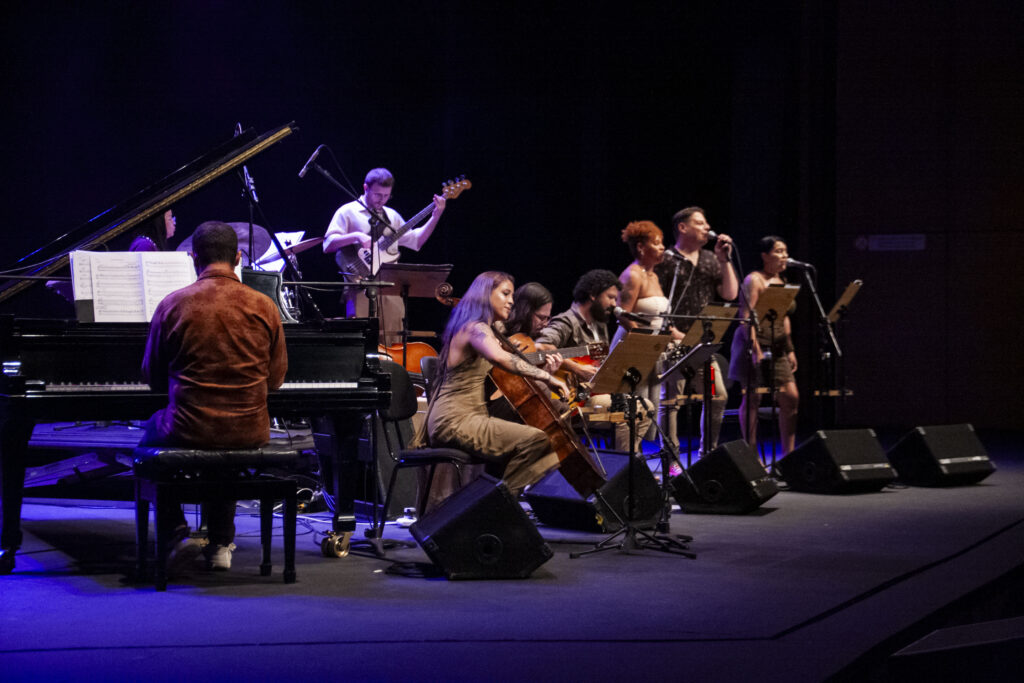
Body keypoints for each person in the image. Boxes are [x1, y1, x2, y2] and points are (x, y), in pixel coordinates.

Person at [141, 220, 288, 572]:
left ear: (193, 258)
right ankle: (221, 542)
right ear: (238, 257)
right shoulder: (264, 306)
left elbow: (152, 378)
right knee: (228, 438)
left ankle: (176, 531)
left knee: (148, 434)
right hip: (249, 429)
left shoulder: (172, 305)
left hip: (189, 428)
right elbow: (276, 380)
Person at [426, 271, 567, 497]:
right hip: (455, 419)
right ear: (485, 294)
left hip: (472, 416)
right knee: (536, 439)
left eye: (512, 295)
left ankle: (496, 503)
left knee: (546, 442)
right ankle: (492, 505)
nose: (511, 301)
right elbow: (501, 358)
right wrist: (548, 377)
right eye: (505, 293)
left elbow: (515, 350)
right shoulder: (474, 327)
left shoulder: (487, 330)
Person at [322, 168, 446, 343]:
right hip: (360, 285)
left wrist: (436, 215)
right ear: (365, 187)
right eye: (377, 194)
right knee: (362, 340)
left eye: (386, 195)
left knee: (394, 339)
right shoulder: (347, 212)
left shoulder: (392, 216)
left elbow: (416, 241)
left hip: (391, 288)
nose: (381, 200)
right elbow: (327, 244)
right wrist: (356, 236)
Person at [534, 269, 652, 452]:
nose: (614, 304)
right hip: (571, 401)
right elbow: (541, 348)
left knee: (643, 406)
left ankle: (623, 466)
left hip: (594, 396)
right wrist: (576, 368)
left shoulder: (600, 324)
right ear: (593, 295)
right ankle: (626, 470)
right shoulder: (566, 322)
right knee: (634, 409)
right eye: (611, 297)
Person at [654, 207, 738, 455]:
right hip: (673, 341)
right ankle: (671, 459)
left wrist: (724, 260)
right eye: (700, 223)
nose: (706, 227)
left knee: (717, 395)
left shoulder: (711, 259)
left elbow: (730, 294)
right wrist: (671, 332)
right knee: (671, 402)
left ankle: (707, 454)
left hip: (702, 343)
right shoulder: (667, 259)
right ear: (682, 227)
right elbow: (656, 300)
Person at [729, 236, 799, 454]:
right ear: (765, 255)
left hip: (778, 345)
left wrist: (790, 349)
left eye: (786, 251)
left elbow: (784, 318)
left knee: (790, 397)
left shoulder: (782, 281)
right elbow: (746, 316)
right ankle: (751, 454)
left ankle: (789, 455)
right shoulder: (754, 280)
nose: (784, 255)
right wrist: (755, 349)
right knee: (753, 397)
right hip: (752, 343)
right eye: (779, 251)